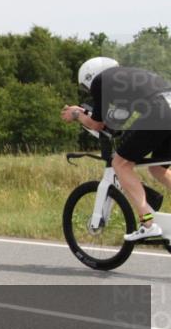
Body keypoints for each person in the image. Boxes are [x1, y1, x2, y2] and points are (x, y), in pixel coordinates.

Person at [61, 57, 171, 241]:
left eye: (87, 89)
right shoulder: (124, 78)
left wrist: (76, 114)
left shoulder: (99, 81)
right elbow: (115, 124)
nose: (90, 92)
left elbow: (97, 125)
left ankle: (148, 224)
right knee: (158, 169)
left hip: (159, 109)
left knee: (120, 164)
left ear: (90, 77)